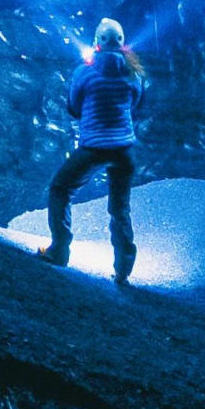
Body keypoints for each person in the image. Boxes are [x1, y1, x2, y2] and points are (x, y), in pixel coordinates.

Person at [43, 17, 147, 283]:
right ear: (123, 44)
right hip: (124, 149)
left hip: (94, 147)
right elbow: (135, 105)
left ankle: (59, 250)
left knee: (60, 189)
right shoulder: (133, 74)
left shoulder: (85, 72)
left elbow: (73, 106)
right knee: (120, 208)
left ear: (97, 43)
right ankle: (123, 270)